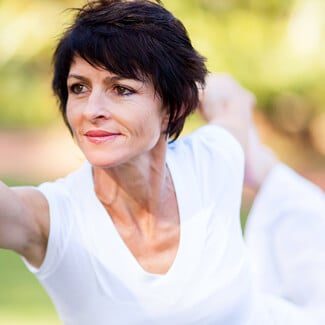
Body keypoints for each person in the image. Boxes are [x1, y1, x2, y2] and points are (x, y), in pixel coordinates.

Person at [0, 0, 324, 324]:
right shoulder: (50, 218)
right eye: (79, 88)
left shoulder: (211, 161)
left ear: (173, 107)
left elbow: (233, 103)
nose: (91, 110)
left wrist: (195, 83)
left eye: (122, 89)